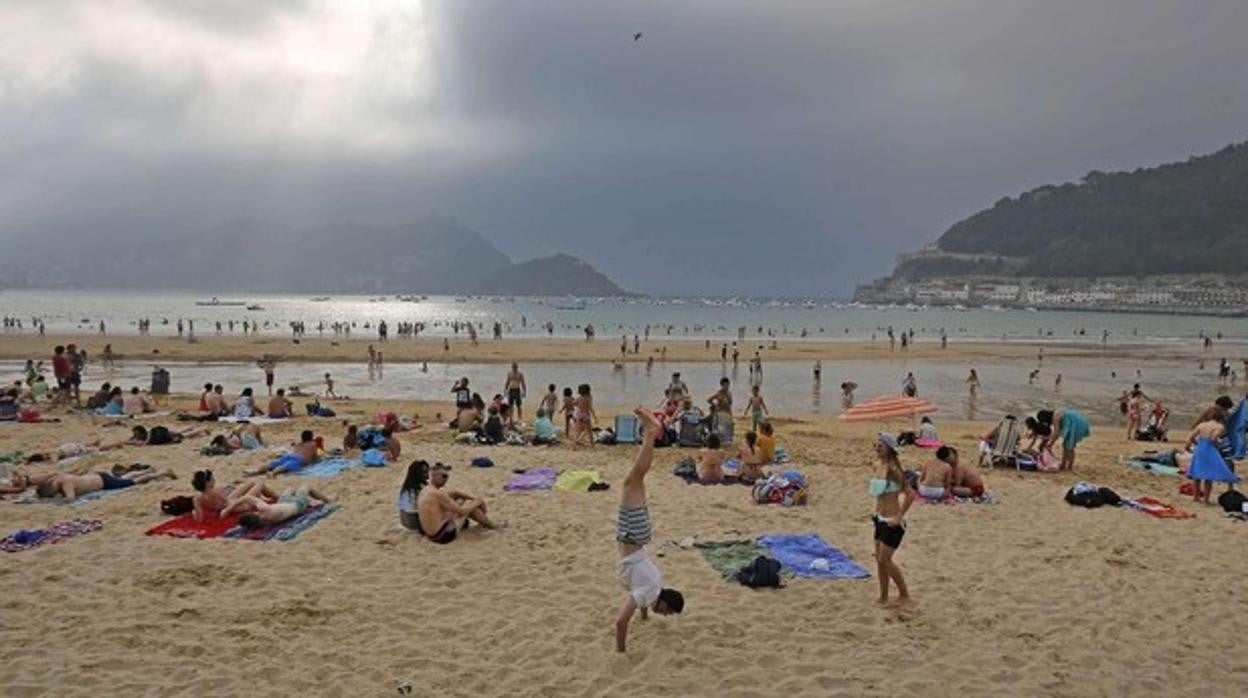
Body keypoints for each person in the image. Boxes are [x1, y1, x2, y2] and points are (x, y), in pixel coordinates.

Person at [614, 408, 684, 652]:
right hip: (633, 535)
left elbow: (642, 596)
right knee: (633, 479)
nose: (663, 616)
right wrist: (620, 652)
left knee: (637, 479)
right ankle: (651, 433)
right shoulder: (648, 591)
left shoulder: (654, 586)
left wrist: (643, 616)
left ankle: (650, 433)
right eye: (666, 613)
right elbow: (620, 622)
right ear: (664, 605)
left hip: (639, 537)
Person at [870, 433, 915, 607]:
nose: (878, 446)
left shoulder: (894, 470)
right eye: (877, 443)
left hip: (892, 521)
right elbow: (880, 495)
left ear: (890, 448)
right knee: (879, 560)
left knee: (885, 560)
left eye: (882, 444)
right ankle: (883, 596)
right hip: (879, 518)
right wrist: (875, 514)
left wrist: (899, 516)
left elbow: (910, 495)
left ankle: (904, 594)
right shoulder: (877, 465)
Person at [416, 462, 504, 544]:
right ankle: (492, 525)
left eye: (447, 476)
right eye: (443, 476)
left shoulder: (426, 490)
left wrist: (471, 498)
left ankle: (486, 523)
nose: (446, 479)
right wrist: (478, 501)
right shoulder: (438, 494)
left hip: (430, 533)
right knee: (468, 506)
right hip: (441, 536)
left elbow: (454, 493)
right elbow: (462, 511)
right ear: (433, 476)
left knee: (461, 501)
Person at [226, 483, 333, 528]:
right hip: (296, 505)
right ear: (253, 514)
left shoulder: (265, 521)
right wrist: (228, 509)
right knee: (306, 486)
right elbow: (247, 498)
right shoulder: (265, 509)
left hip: (284, 502)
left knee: (290, 489)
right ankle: (328, 500)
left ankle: (310, 501)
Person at [36, 467, 177, 501]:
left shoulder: (65, 484)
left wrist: (57, 499)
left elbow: (70, 499)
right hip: (98, 476)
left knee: (134, 482)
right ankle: (146, 470)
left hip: (104, 482)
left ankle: (162, 473)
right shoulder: (57, 478)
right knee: (125, 478)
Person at [190, 470, 276, 522]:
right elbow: (228, 503)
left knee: (251, 482)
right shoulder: (216, 490)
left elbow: (199, 519)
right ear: (208, 483)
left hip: (226, 504)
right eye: (212, 479)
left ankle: (272, 497)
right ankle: (276, 497)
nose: (214, 480)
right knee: (260, 484)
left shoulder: (197, 498)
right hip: (237, 506)